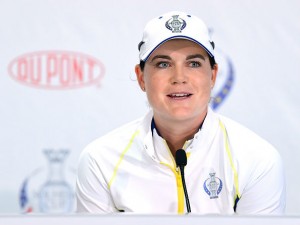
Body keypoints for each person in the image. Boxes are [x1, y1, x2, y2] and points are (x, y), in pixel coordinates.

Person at [76, 11, 285, 214]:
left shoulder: (257, 159)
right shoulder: (100, 160)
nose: (179, 77)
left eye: (193, 64)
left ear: (212, 76)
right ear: (141, 78)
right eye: (163, 64)